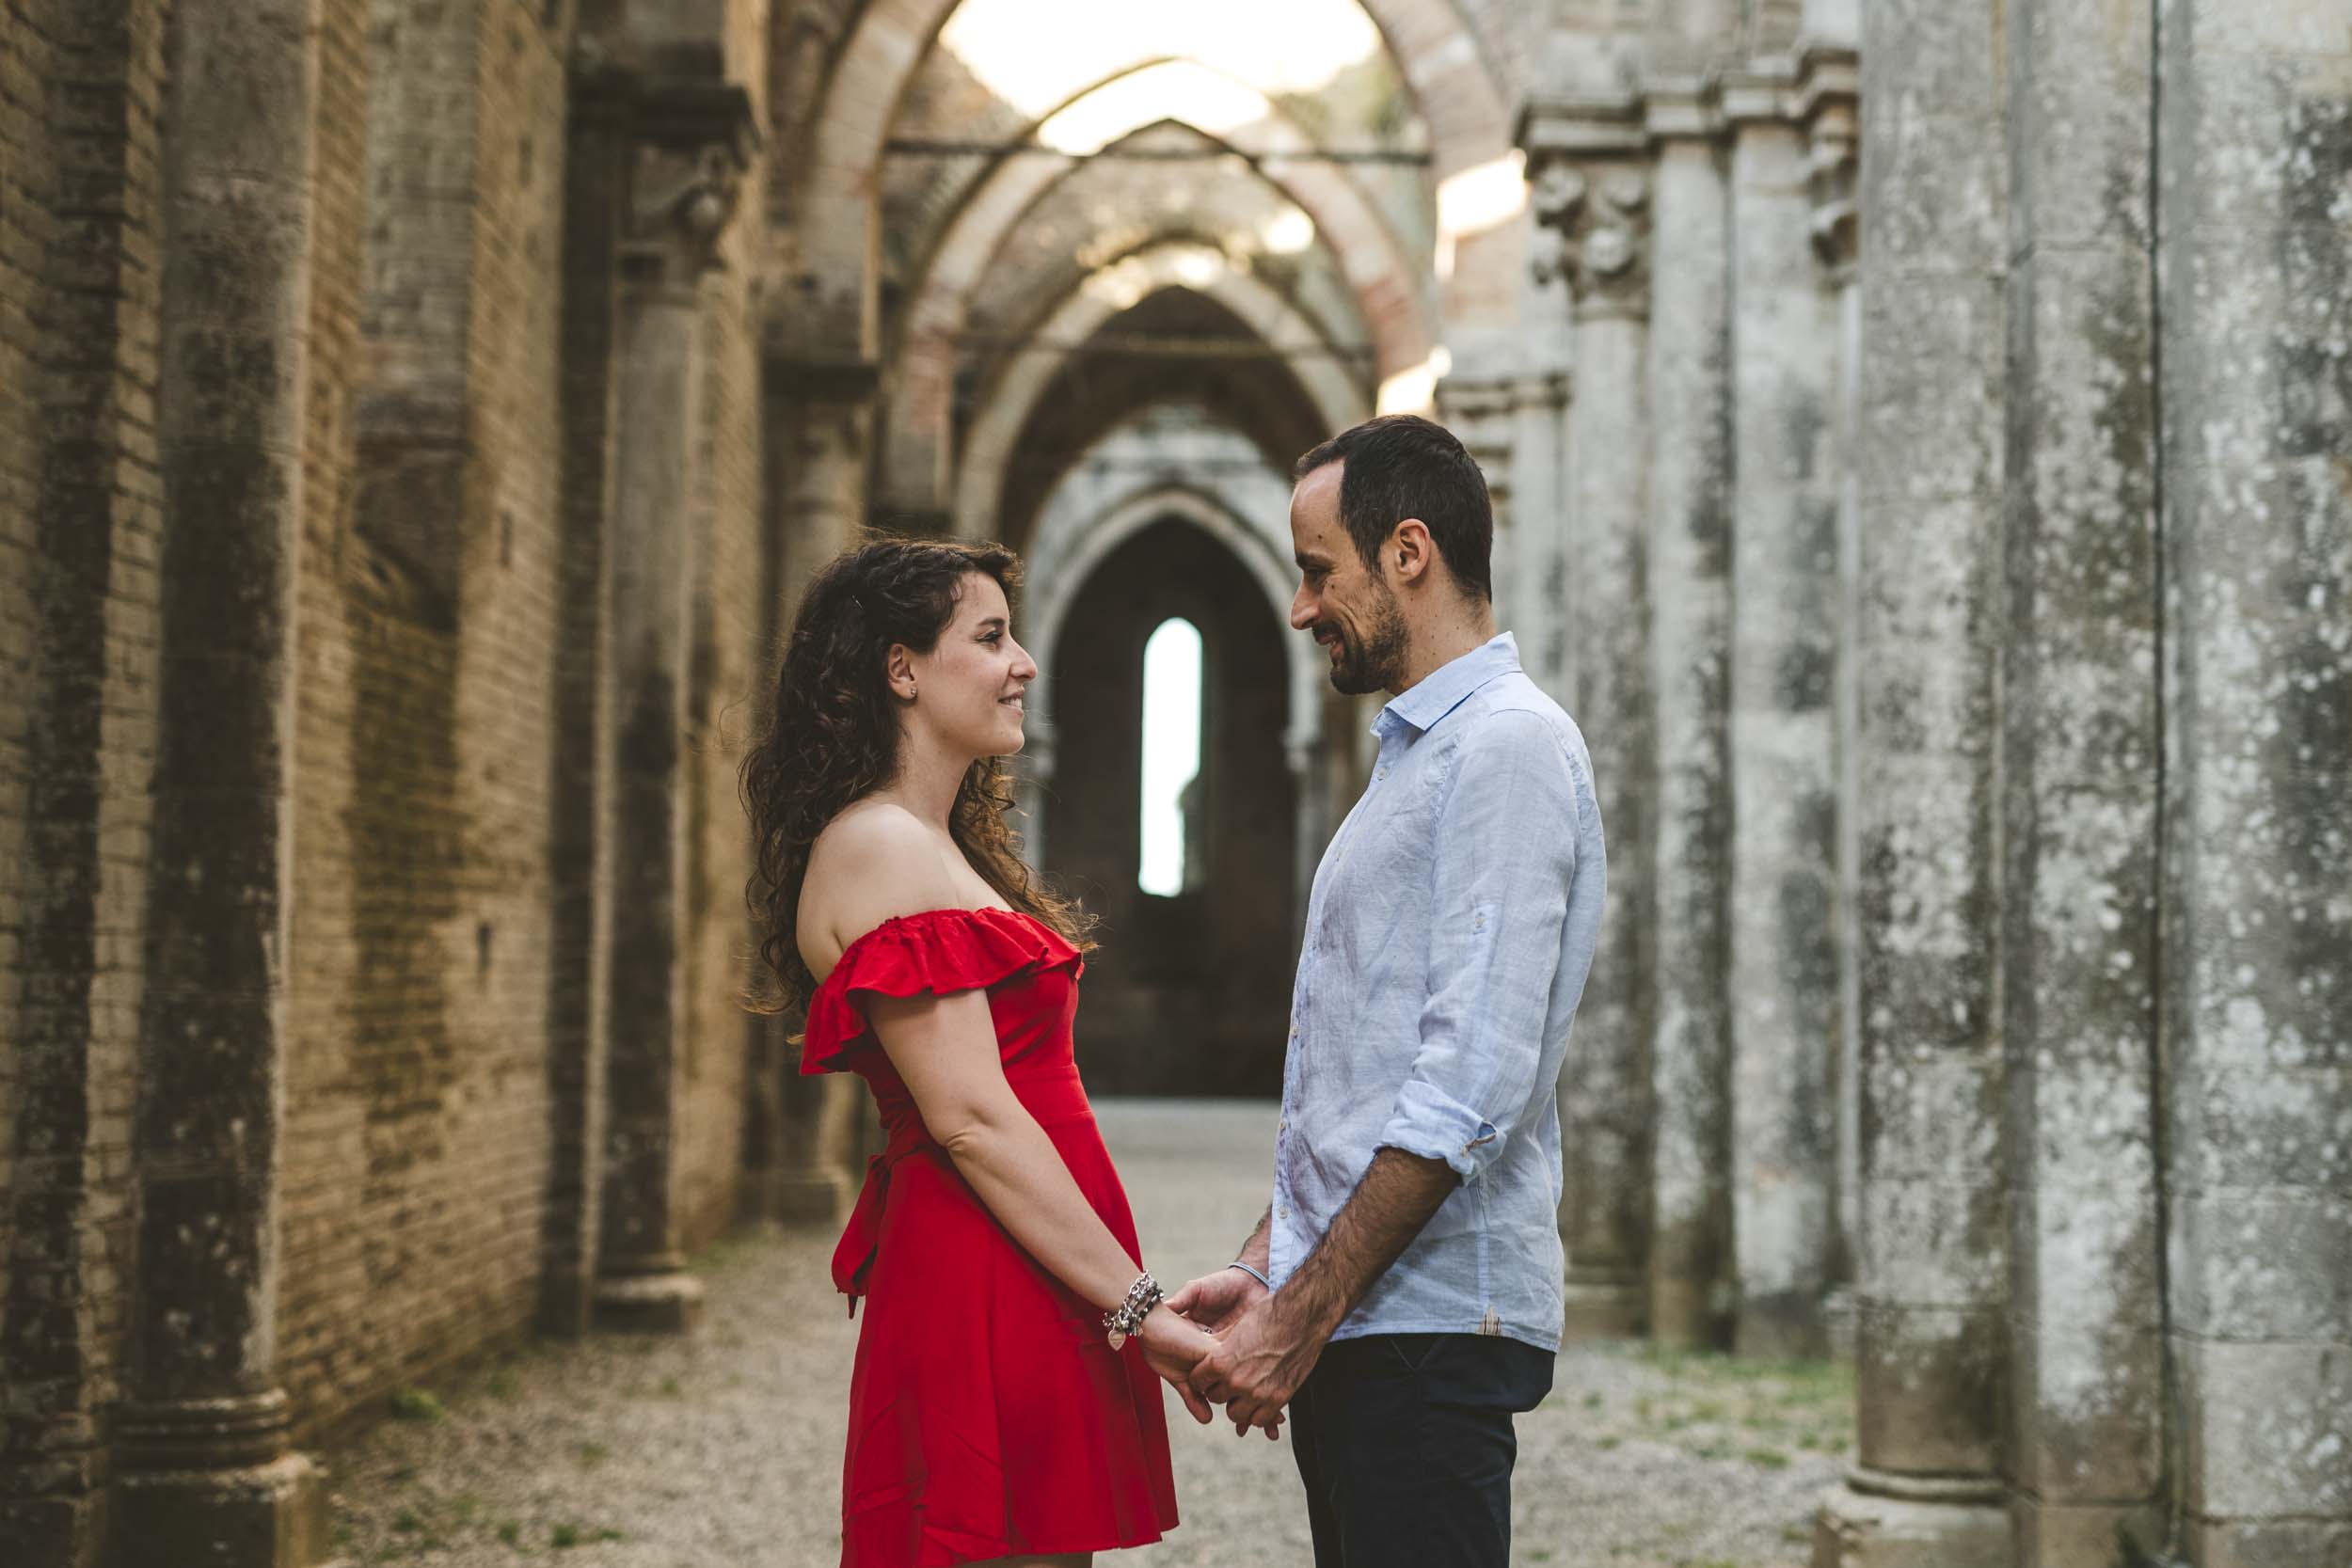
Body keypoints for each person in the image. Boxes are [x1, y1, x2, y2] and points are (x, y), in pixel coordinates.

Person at [1169, 414, 1609, 1568]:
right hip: (1377, 1321)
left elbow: (1468, 1082)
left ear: (1406, 551)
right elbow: (1363, 1071)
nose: (1304, 606)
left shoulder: (1504, 748)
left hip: (1424, 1328)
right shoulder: (1424, 755)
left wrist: (1297, 1313)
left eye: (1320, 569)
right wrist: (1273, 1259)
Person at [740, 539, 1220, 1568]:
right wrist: (1138, 1309)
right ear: (901, 668)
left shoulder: (931, 842)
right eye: (991, 636)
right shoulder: (879, 845)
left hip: (1037, 1266)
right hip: (983, 1274)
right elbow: (970, 1116)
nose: (1024, 663)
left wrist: (1115, 1296)